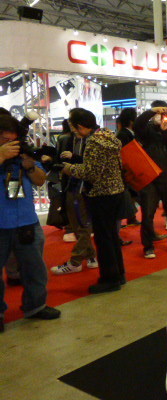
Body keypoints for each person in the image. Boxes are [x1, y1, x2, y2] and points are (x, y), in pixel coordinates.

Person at [0, 114, 61, 332]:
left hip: (26, 221)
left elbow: (40, 180)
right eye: (5, 140)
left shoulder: (22, 155)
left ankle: (36, 306)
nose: (11, 144)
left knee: (35, 268)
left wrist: (30, 167)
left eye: (13, 140)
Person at [62, 108, 126, 294]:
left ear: (81, 126)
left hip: (101, 195)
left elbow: (91, 173)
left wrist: (69, 168)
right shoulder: (107, 135)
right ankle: (119, 274)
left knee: (103, 239)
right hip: (115, 192)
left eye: (74, 128)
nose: (74, 132)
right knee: (111, 237)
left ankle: (109, 279)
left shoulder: (93, 142)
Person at [134, 100, 167, 259]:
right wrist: (151, 112)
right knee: (147, 214)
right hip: (150, 178)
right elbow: (138, 125)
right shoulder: (148, 130)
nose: (159, 117)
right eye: (157, 114)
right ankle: (148, 246)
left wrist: (166, 130)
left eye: (162, 114)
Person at [50, 116, 98, 275]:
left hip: (85, 189)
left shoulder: (96, 140)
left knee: (83, 226)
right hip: (73, 186)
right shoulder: (72, 138)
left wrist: (74, 159)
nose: (73, 129)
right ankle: (90, 256)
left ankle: (76, 261)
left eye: (74, 126)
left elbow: (91, 167)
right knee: (78, 226)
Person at [116, 108, 140, 233]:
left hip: (129, 169)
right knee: (128, 195)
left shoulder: (126, 133)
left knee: (131, 195)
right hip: (127, 170)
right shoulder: (124, 135)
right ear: (131, 121)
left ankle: (131, 217)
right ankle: (126, 219)